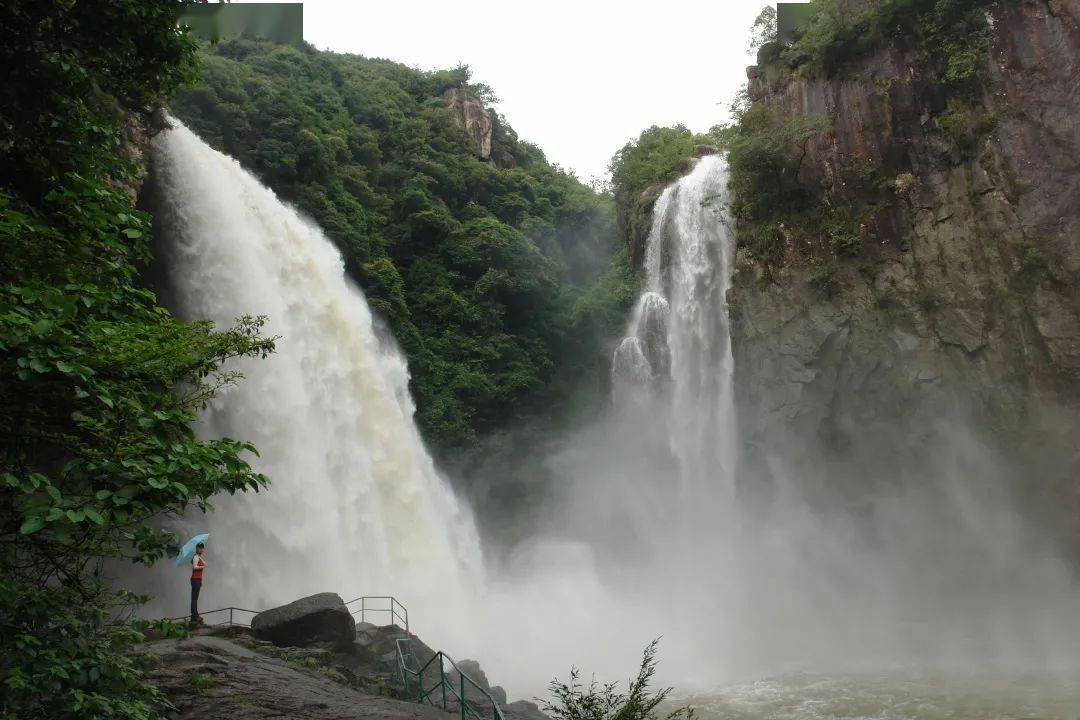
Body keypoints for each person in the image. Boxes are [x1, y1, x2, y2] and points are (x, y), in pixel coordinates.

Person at [190, 542, 207, 624]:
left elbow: (202, 563)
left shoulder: (199, 557)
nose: (201, 549)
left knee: (195, 598)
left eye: (202, 548)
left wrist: (201, 581)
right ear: (197, 549)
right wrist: (203, 566)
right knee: (194, 598)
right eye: (200, 548)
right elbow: (194, 567)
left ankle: (194, 615)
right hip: (195, 579)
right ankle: (195, 615)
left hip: (198, 579)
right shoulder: (196, 557)